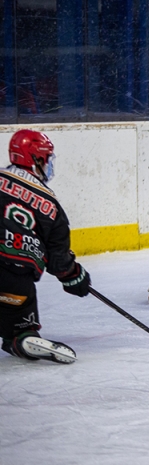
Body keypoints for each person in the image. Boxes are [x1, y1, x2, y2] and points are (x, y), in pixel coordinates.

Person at [1, 130, 91, 364]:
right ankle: (22, 337)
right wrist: (75, 277)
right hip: (13, 280)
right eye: (47, 158)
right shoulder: (50, 204)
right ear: (37, 159)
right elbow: (59, 260)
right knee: (19, 323)